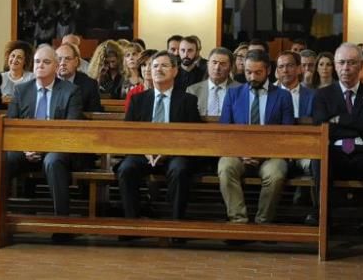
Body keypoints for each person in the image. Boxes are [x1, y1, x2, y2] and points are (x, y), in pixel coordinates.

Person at [311, 43, 363, 257]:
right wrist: (361, 121)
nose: (345, 68)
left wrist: (340, 120)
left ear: (361, 66)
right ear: (335, 66)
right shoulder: (323, 95)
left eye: (351, 63)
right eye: (341, 63)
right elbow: (322, 127)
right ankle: (323, 228)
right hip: (336, 154)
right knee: (319, 162)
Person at [117, 51, 202, 221]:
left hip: (175, 154)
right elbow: (128, 134)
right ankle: (131, 224)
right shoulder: (138, 100)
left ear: (175, 71)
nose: (158, 69)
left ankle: (176, 226)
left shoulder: (187, 100)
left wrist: (168, 152)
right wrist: (145, 151)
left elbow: (192, 136)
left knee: (180, 169)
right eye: (154, 66)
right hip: (143, 153)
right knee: (126, 169)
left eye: (164, 65)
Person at [218, 50, 295, 224]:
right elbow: (225, 131)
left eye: (257, 72)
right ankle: (238, 221)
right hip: (239, 154)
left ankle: (263, 222)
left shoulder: (283, 96)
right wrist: (241, 153)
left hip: (270, 156)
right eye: (248, 72)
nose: (252, 77)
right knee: (225, 167)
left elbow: (287, 134)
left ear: (268, 70)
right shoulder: (233, 94)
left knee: (275, 174)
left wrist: (262, 154)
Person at [6, 44, 83, 219]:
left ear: (56, 67)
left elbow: (71, 129)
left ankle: (62, 221)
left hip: (55, 148)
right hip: (25, 148)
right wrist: (25, 148)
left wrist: (43, 147)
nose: (40, 65)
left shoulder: (70, 91)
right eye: (37, 61)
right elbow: (11, 126)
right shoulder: (21, 90)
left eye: (46, 62)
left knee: (53, 161)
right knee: (4, 159)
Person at [186, 47, 239, 118]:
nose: (217, 68)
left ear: (230, 67)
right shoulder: (192, 91)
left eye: (222, 64)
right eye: (214, 62)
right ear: (207, 64)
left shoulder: (240, 90)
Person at [56, 42, 103, 113]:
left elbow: (95, 116)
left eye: (67, 59)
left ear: (76, 61)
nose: (62, 63)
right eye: (59, 59)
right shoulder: (48, 81)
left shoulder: (89, 84)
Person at [274, 51, 315, 119]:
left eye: (290, 65)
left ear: (299, 69)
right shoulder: (270, 95)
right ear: (277, 71)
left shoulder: (313, 96)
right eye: (281, 66)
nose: (285, 70)